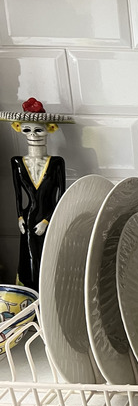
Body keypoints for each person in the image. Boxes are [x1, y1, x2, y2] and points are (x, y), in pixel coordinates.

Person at [0, 98, 72, 291]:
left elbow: (61, 196)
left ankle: (49, 290)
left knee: (48, 254)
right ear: (19, 129)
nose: (33, 135)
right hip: (28, 219)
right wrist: (19, 216)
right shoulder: (17, 162)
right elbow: (17, 195)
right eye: (27, 130)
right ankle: (28, 293)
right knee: (28, 256)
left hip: (49, 218)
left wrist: (47, 221)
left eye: (38, 129)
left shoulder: (57, 162)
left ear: (50, 129)